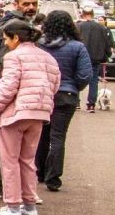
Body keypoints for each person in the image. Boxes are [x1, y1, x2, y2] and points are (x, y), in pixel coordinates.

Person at [0, 19, 60, 215]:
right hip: (39, 113)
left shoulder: (13, 57)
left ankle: (12, 205)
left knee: (9, 160)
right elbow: (55, 84)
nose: (6, 43)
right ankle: (29, 205)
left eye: (6, 39)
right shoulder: (47, 57)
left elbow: (7, 87)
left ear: (16, 37)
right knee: (28, 160)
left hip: (15, 114)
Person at [0, 0, 40, 199]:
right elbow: (2, 59)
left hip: (22, 87)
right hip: (9, 85)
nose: (30, 7)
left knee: (19, 140)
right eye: (26, 3)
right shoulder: (10, 25)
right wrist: (1, 89)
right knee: (5, 136)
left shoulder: (28, 24)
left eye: (34, 4)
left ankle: (13, 186)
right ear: (16, 3)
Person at [35, 11, 92, 193]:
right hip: (66, 94)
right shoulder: (77, 47)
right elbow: (85, 75)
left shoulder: (39, 45)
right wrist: (73, 87)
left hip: (42, 93)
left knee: (41, 135)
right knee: (58, 136)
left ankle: (40, 171)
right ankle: (53, 178)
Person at [77, 8, 115, 112]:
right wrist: (107, 55)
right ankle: (91, 104)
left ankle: (76, 102)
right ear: (93, 14)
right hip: (95, 58)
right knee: (94, 81)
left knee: (77, 79)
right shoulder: (102, 28)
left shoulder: (78, 26)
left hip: (80, 57)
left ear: (83, 15)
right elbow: (106, 44)